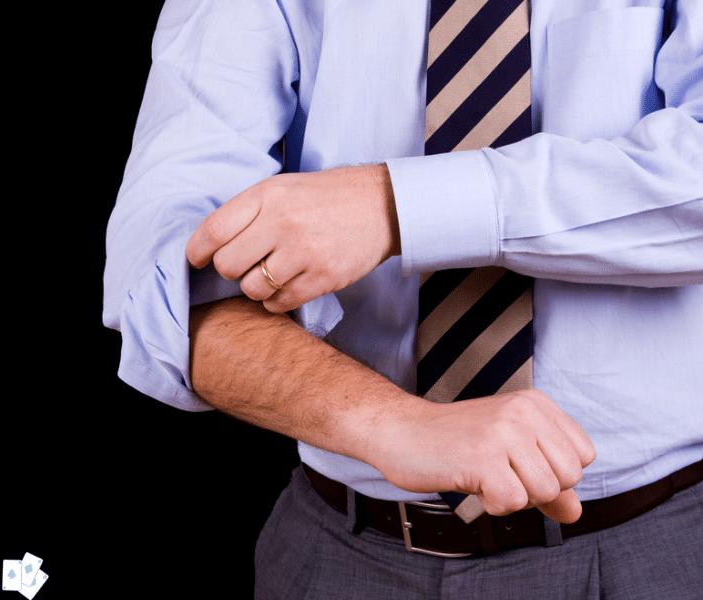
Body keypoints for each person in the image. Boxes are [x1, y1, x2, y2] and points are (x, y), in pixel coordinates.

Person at [104, 1, 703, 598]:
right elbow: (165, 282)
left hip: (651, 549)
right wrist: (393, 426)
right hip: (338, 553)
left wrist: (393, 206)